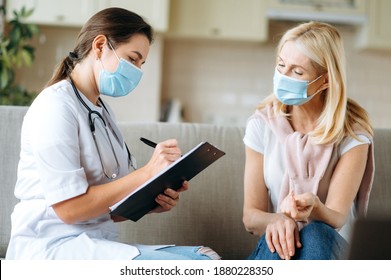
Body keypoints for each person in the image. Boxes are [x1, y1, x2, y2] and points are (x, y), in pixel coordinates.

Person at [6, 7, 220, 260]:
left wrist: (153, 200)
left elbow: (110, 210)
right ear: (99, 46)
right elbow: (70, 209)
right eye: (132, 59)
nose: (137, 71)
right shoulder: (55, 106)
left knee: (206, 257)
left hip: (95, 244)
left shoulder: (103, 111)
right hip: (52, 248)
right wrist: (146, 172)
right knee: (199, 267)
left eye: (141, 64)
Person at [242, 21, 374, 260]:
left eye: (297, 72)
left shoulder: (352, 132)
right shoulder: (261, 125)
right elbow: (251, 217)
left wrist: (316, 208)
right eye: (281, 65)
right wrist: (278, 220)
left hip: (330, 249)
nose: (283, 77)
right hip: (279, 251)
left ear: (325, 81)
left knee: (315, 232)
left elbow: (338, 217)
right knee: (286, 236)